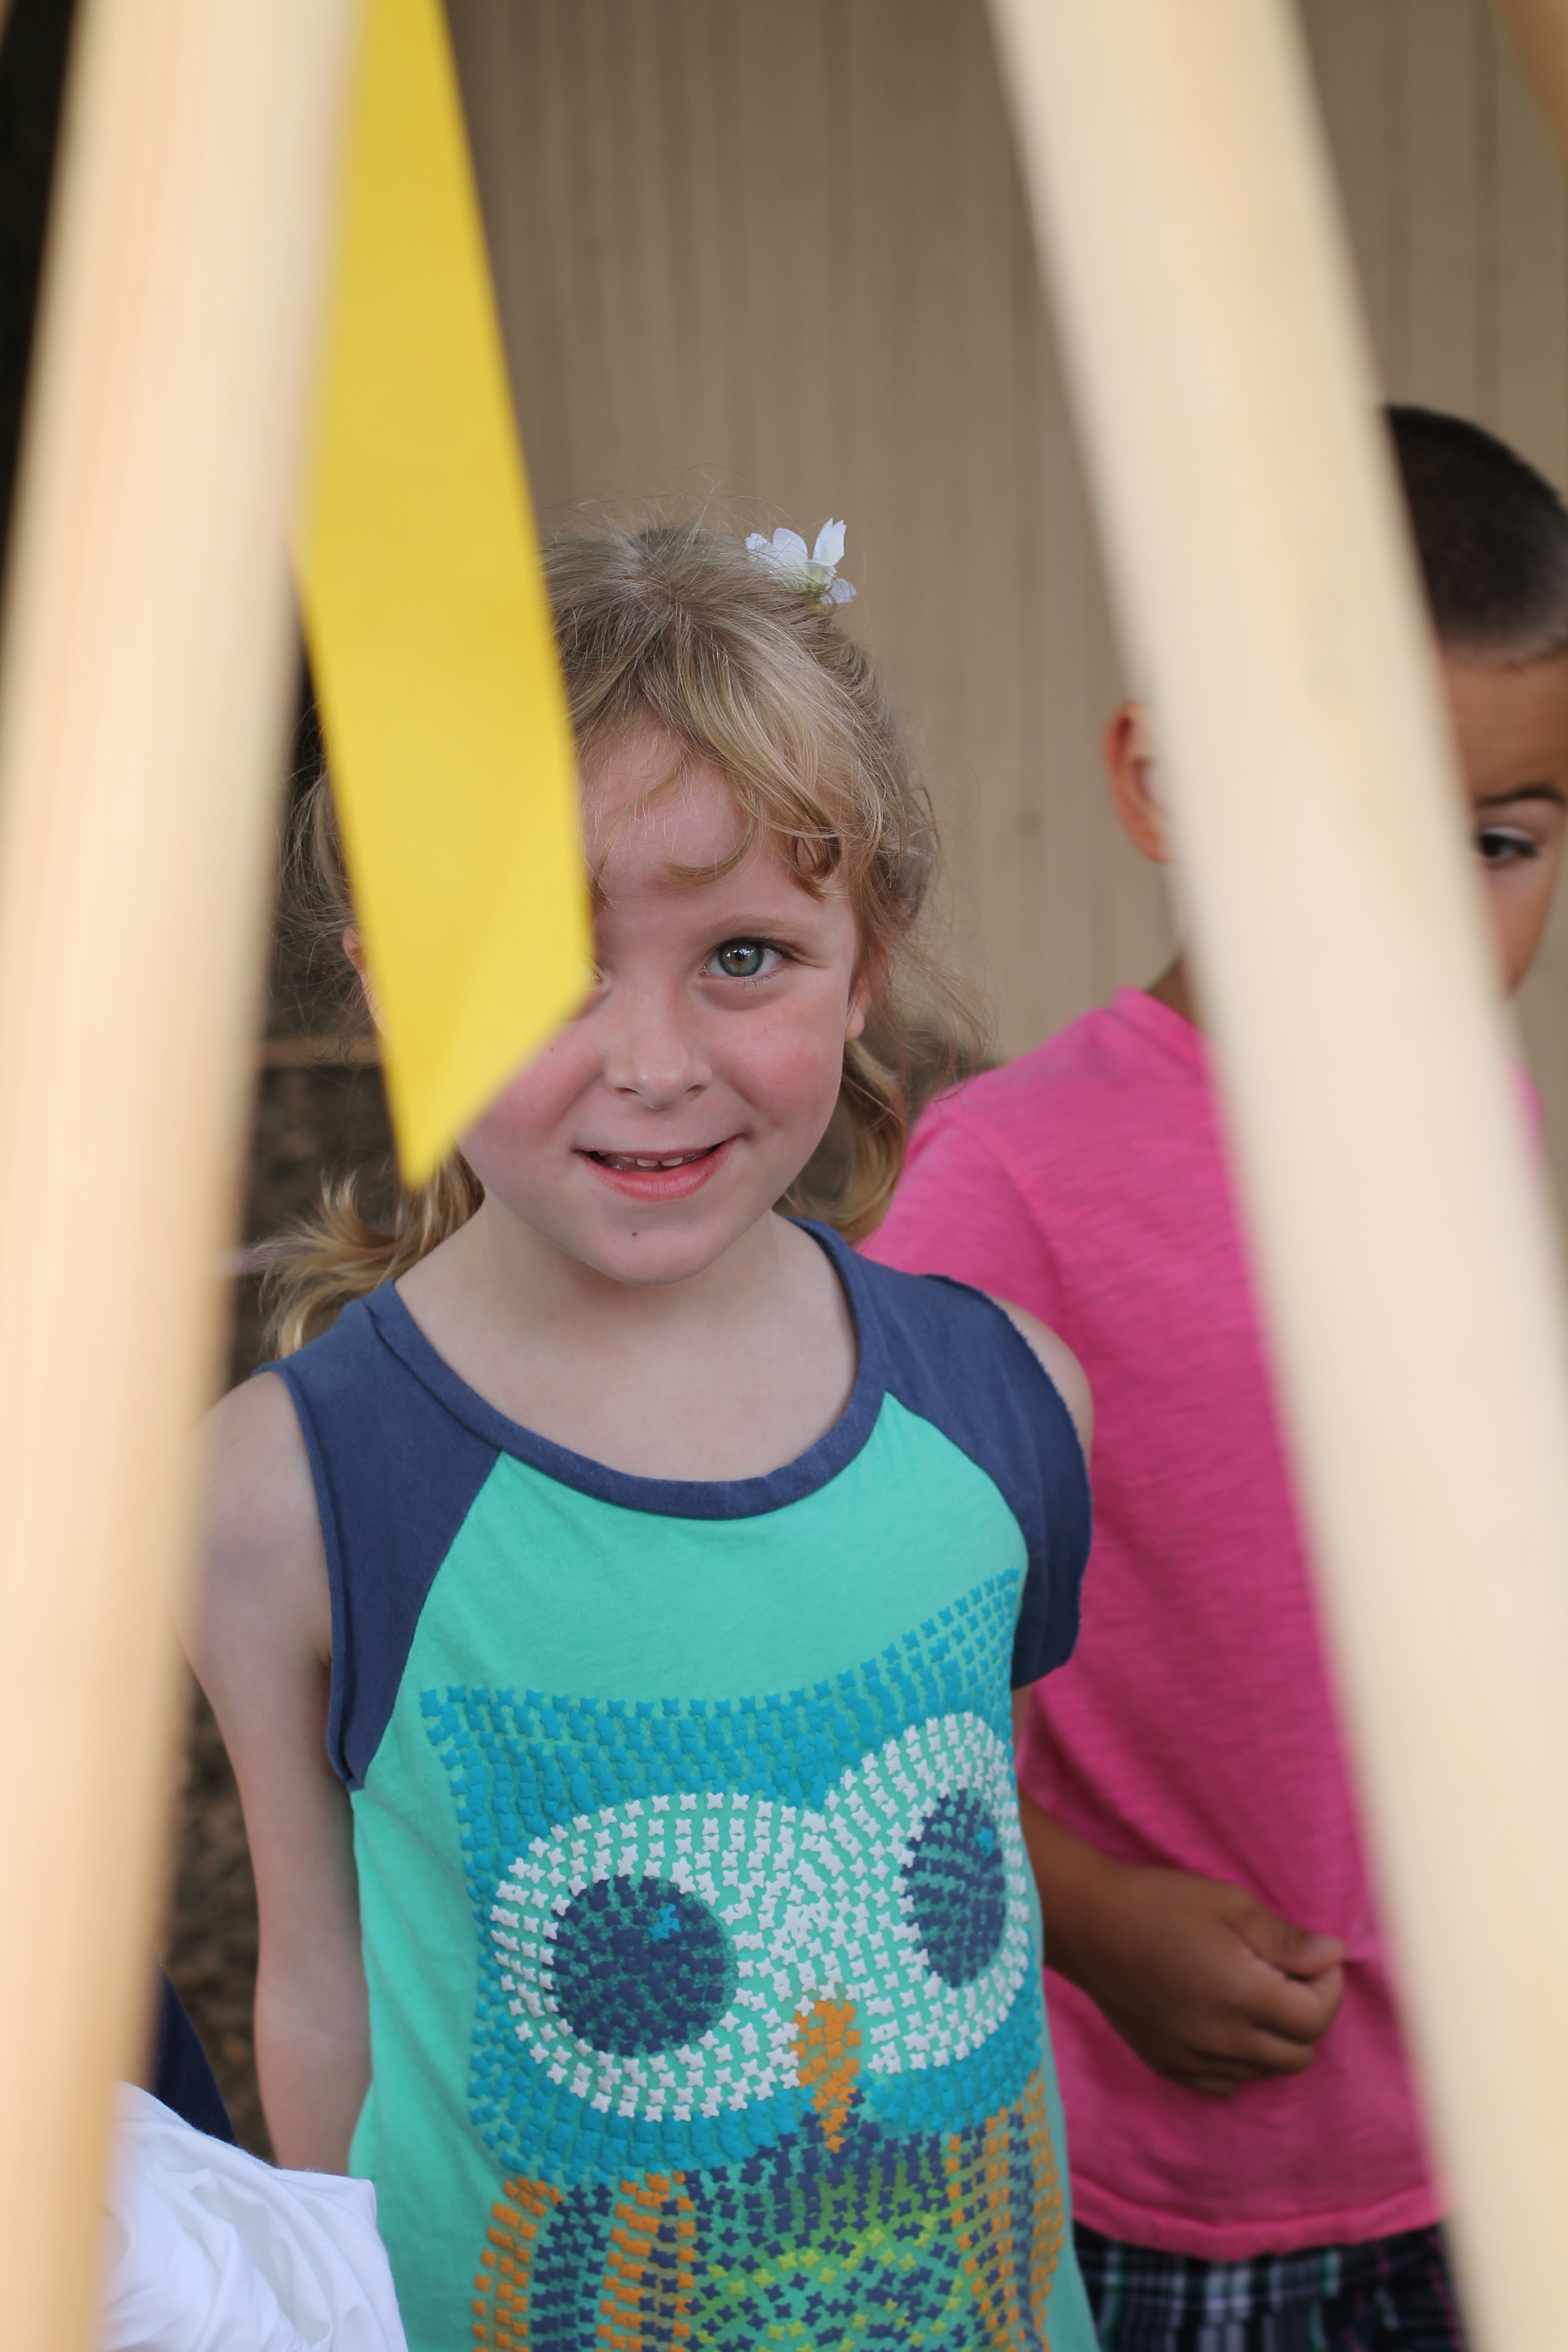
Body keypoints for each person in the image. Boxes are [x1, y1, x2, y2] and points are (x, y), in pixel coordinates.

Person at [192, 517, 1103, 2351]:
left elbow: (975, 1866)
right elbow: (317, 1990)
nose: (654, 1060)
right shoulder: (285, 1494)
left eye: (746, 954)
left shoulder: (1010, 1403)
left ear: (867, 965)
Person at [864, 405, 1568, 2349]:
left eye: (1499, 842)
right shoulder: (1008, 1183)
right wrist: (1087, 1916)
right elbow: (859, 1676)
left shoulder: (1487, 1115)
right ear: (1164, 778)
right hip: (1169, 2183)